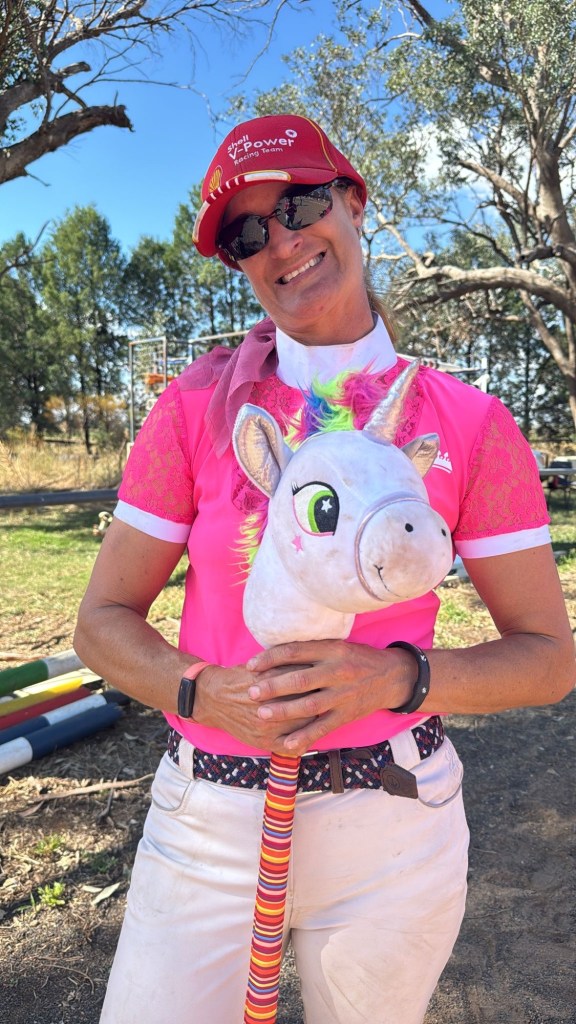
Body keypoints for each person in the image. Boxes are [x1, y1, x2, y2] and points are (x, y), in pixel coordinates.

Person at [74, 114, 575, 1024]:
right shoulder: (195, 409)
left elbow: (547, 657)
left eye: (301, 205)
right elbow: (101, 623)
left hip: (393, 827)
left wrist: (397, 679)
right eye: (247, 234)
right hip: (210, 823)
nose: (281, 242)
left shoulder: (469, 422)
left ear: (353, 204)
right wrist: (199, 691)